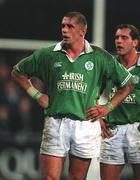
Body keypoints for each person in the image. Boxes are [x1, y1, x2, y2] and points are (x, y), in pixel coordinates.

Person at [11, 12, 134, 180]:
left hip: (85, 124)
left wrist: (107, 108)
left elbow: (127, 85)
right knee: (49, 178)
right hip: (55, 122)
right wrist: (37, 95)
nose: (64, 30)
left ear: (82, 31)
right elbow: (17, 72)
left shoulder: (100, 56)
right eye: (63, 26)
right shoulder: (48, 54)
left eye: (70, 26)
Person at [100, 24, 140, 180]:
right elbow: (93, 93)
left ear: (135, 42)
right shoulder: (109, 66)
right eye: (117, 37)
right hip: (112, 130)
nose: (119, 41)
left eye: (124, 38)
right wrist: (99, 119)